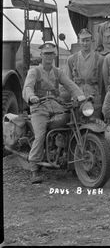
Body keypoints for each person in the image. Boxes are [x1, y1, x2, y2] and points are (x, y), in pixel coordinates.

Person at [22, 42, 86, 184]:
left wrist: (80, 95)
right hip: (39, 107)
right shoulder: (34, 71)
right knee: (40, 134)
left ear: (54, 55)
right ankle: (34, 168)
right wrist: (31, 96)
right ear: (41, 55)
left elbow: (70, 84)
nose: (49, 56)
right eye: (46, 54)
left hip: (56, 106)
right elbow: (27, 87)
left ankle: (68, 158)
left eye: (51, 53)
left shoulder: (58, 72)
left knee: (69, 123)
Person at [65, 28, 104, 118]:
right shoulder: (72, 59)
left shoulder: (100, 59)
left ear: (92, 41)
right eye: (83, 40)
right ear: (79, 41)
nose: (85, 43)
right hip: (77, 97)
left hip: (94, 97)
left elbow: (102, 82)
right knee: (77, 124)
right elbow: (68, 82)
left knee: (95, 123)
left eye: (87, 40)